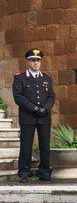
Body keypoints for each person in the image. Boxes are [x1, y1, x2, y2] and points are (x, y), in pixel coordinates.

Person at [12, 48, 55, 183]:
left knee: (45, 146)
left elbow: (52, 96)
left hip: (44, 116)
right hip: (28, 117)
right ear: (28, 62)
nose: (36, 63)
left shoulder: (47, 78)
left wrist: (46, 108)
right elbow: (18, 97)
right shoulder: (20, 78)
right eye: (33, 61)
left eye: (38, 61)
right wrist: (35, 108)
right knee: (26, 145)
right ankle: (24, 173)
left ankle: (45, 173)